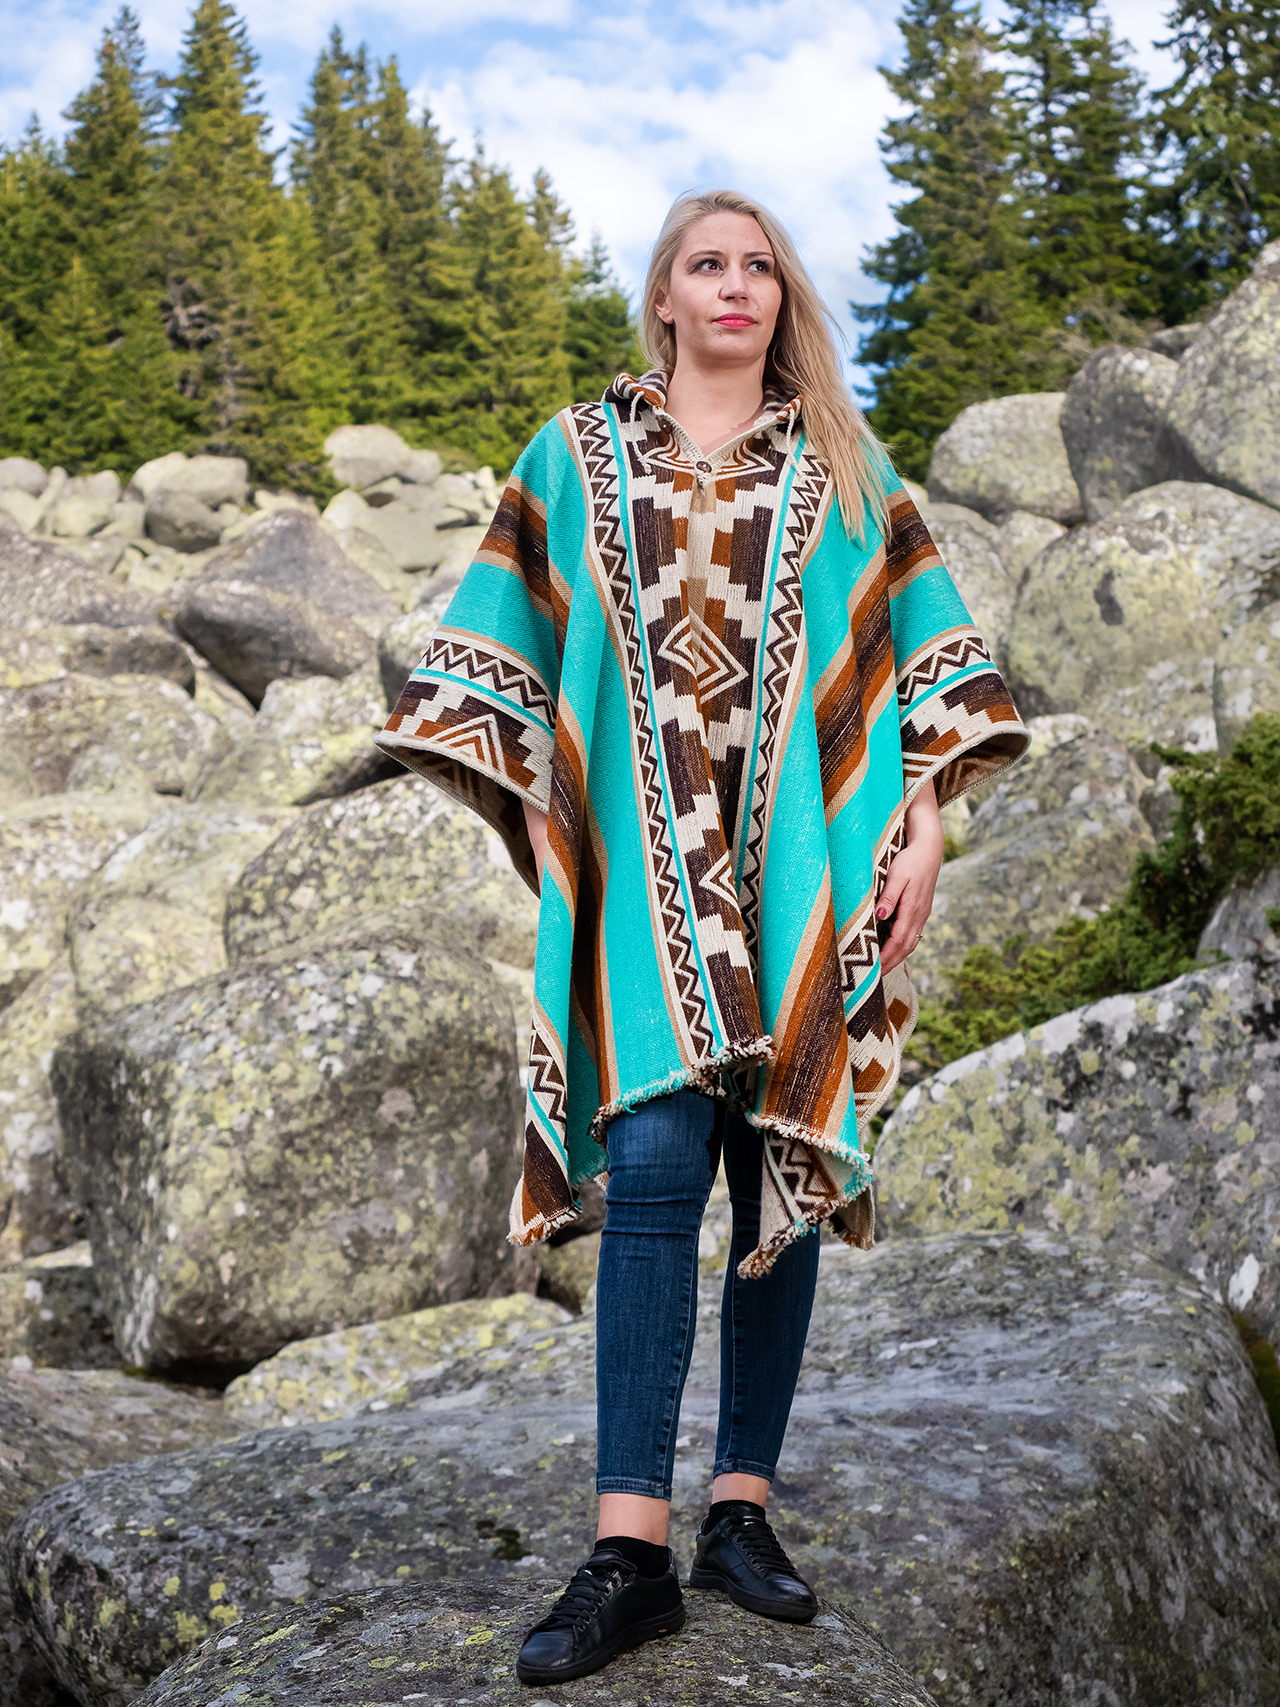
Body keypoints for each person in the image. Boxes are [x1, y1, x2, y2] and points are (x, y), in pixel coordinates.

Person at [375, 188, 1028, 1686]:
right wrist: (558, 829)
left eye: (759, 267)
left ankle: (741, 1512)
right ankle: (628, 1550)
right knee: (660, 1167)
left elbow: (912, 657)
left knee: (774, 1163)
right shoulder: (573, 455)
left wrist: (924, 821)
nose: (736, 285)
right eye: (705, 264)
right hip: (646, 865)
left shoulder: (842, 466)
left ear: (782, 298)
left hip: (804, 862)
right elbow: (506, 650)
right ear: (663, 296)